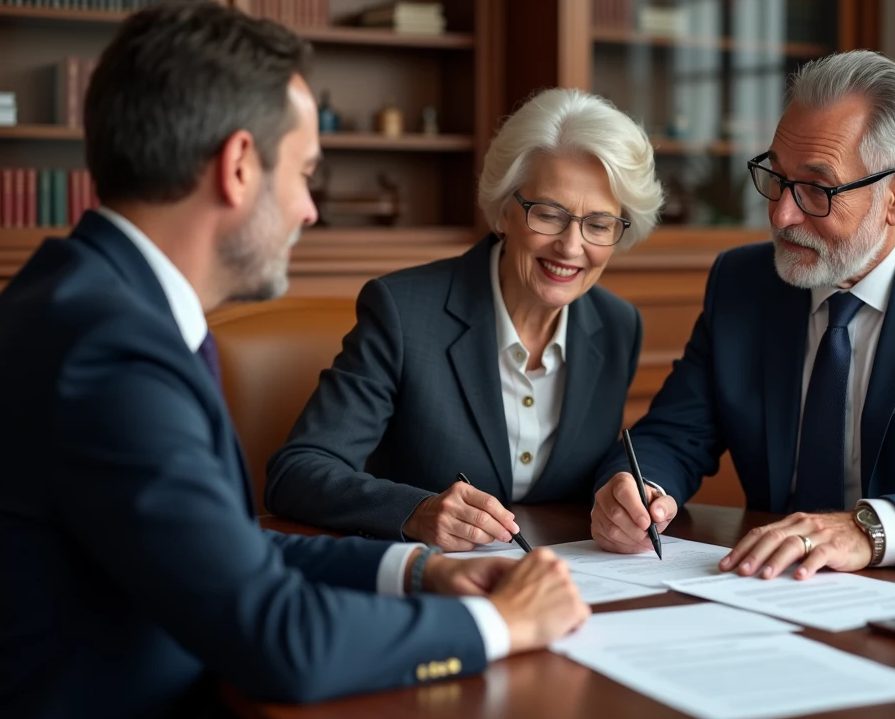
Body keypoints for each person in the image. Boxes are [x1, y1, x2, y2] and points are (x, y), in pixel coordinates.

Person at [0, 1, 588, 719]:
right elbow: (280, 639)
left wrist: (420, 571)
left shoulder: (91, 300)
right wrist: (500, 626)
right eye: (306, 174)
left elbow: (227, 551)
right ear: (240, 166)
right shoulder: (109, 348)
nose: (310, 210)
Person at [591, 50, 895, 578]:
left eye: (817, 189)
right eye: (777, 177)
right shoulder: (743, 283)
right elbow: (672, 435)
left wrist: (872, 530)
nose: (782, 214)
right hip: (768, 588)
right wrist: (636, 489)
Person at [264, 88, 664, 550]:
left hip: (566, 586)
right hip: (429, 587)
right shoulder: (402, 311)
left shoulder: (617, 327)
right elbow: (298, 470)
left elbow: (588, 474)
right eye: (549, 215)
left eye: (598, 225)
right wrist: (416, 512)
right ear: (503, 211)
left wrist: (624, 495)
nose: (571, 247)